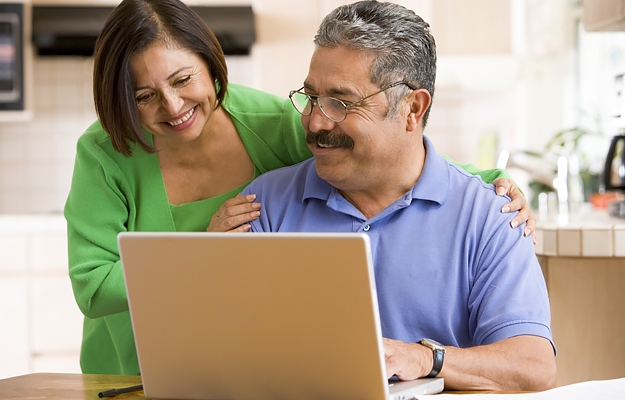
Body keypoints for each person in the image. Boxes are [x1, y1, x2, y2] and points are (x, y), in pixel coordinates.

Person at [64, 0, 533, 376]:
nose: (172, 105)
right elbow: (92, 286)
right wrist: (198, 253)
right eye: (145, 96)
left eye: (183, 80)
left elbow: (384, 149)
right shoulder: (106, 152)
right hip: (127, 368)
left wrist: (481, 183)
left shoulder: (272, 123)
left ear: (211, 66)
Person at [239, 0, 557, 391]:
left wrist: (427, 358)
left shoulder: (491, 215)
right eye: (311, 97)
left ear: (412, 108)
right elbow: (221, 351)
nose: (316, 121)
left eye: (340, 102)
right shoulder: (262, 206)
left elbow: (533, 366)